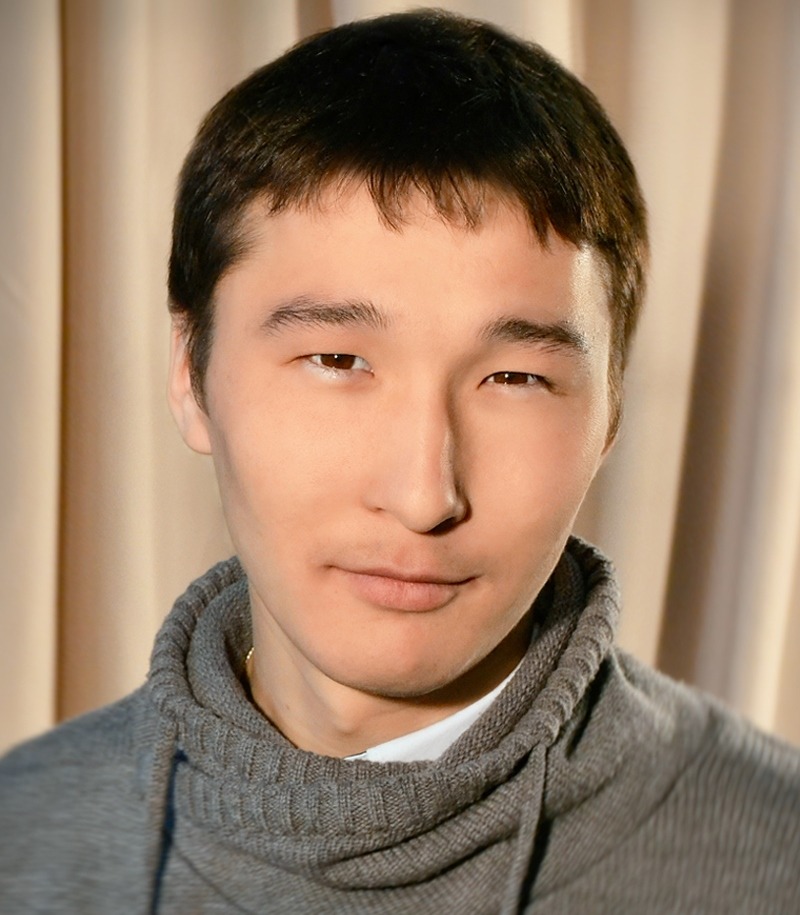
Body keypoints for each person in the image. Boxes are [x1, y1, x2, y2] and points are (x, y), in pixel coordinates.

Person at [1, 9, 798, 914]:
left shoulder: (777, 857)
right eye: (338, 360)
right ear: (191, 374)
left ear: (611, 408)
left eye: (515, 377)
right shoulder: (22, 837)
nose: (424, 495)